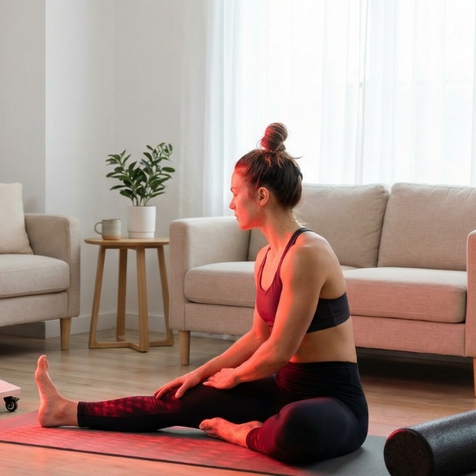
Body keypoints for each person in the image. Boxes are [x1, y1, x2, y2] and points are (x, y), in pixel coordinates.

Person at [34, 123, 368, 464]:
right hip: (280, 389)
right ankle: (65, 410)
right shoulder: (265, 256)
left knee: (296, 426)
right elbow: (258, 336)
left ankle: (240, 433)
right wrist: (201, 373)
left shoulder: (307, 253)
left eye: (235, 193)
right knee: (179, 397)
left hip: (334, 400)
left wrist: (234, 376)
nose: (231, 203)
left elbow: (280, 350)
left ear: (261, 196)